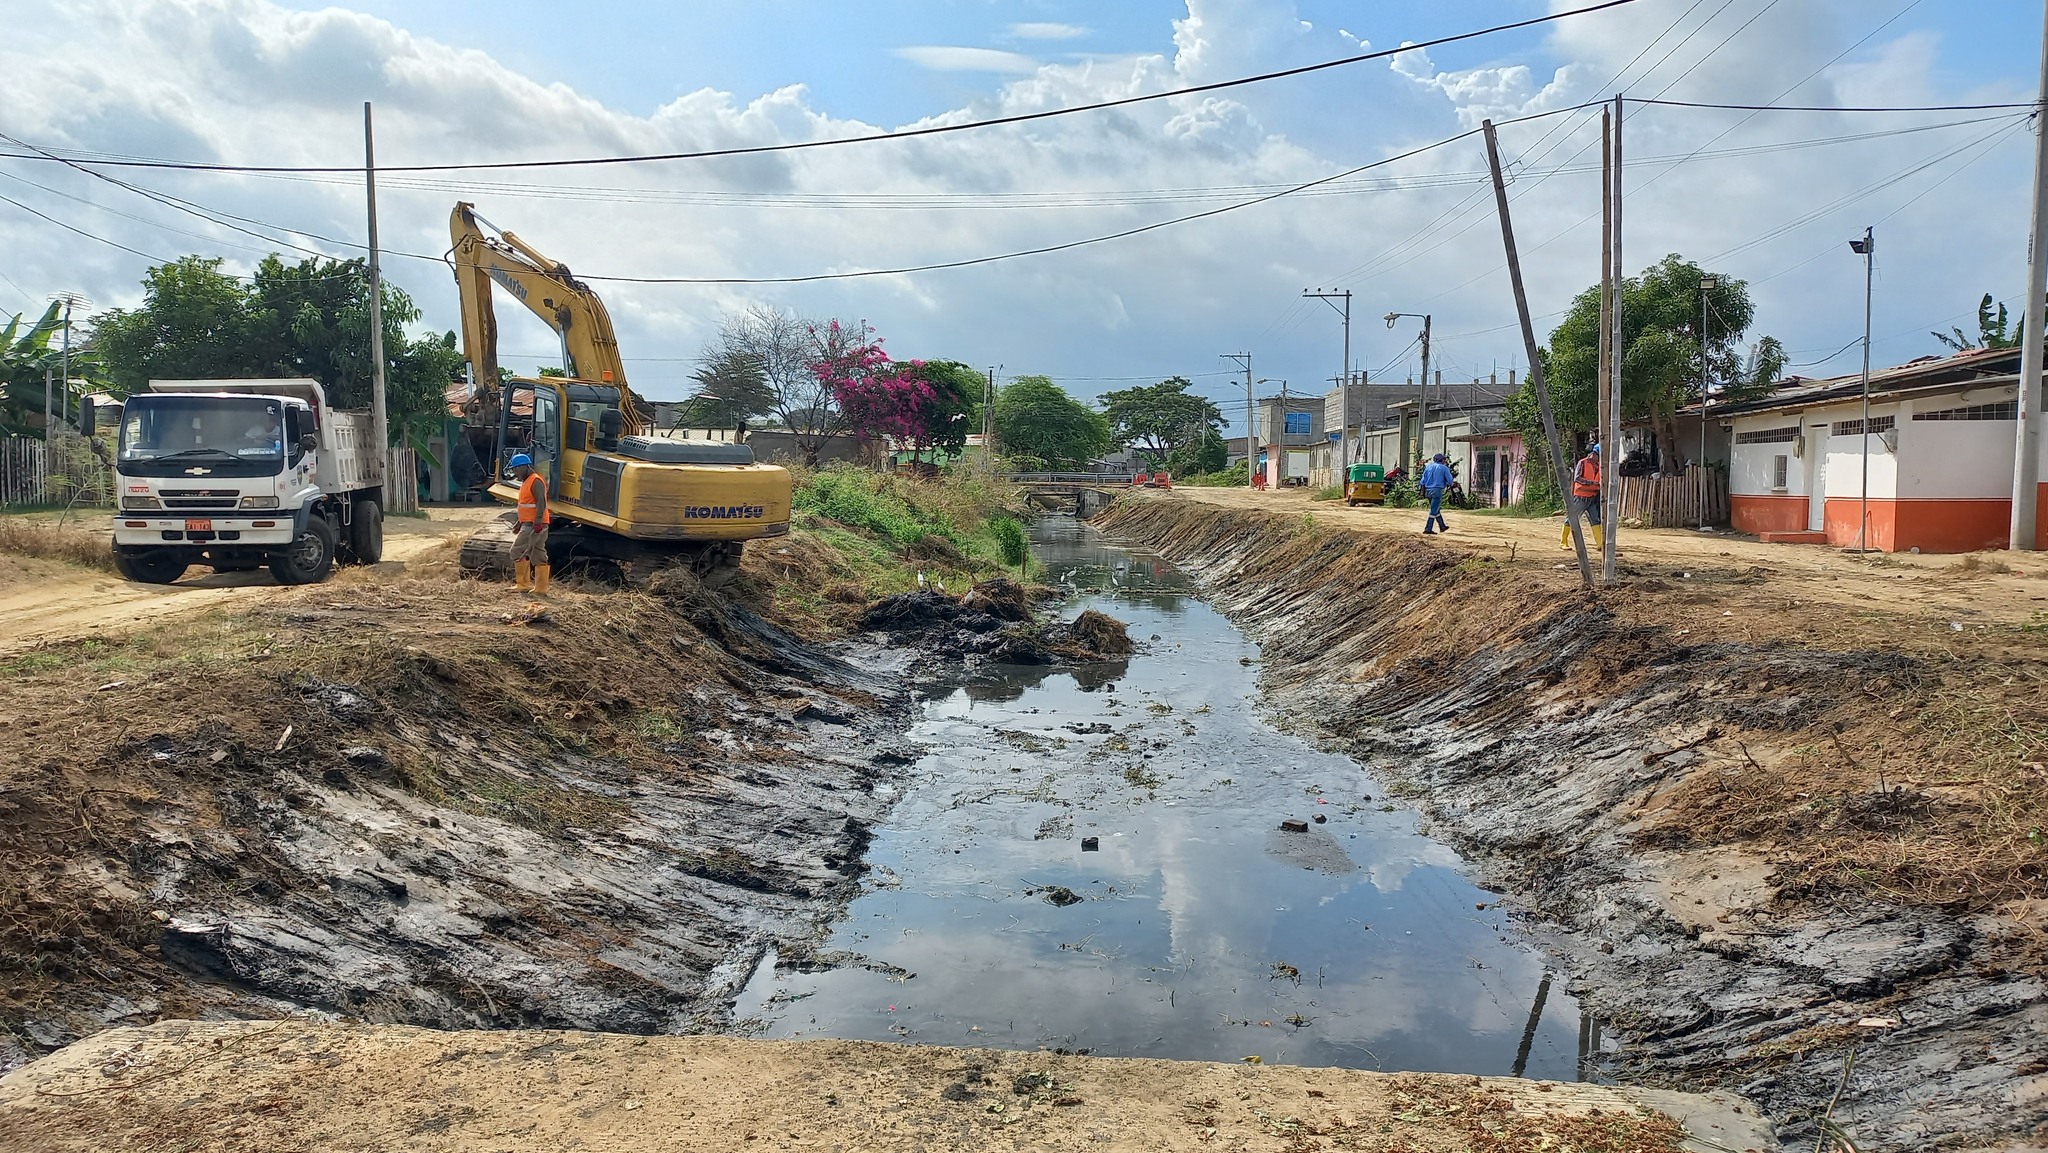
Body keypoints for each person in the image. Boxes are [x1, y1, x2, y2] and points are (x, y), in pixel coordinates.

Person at [510, 453, 551, 594]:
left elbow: (541, 502)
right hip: (530, 523)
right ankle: (540, 588)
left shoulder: (536, 481)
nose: (515, 473)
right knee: (538, 553)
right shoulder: (527, 481)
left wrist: (538, 521)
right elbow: (526, 505)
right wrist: (519, 522)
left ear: (525, 466)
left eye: (516, 469)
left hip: (534, 524)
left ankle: (523, 584)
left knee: (517, 550)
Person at [1561, 442, 1605, 551]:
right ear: (1594, 454)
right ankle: (1563, 542)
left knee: (1595, 520)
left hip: (1592, 497)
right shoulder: (1583, 463)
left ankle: (1600, 544)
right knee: (1572, 518)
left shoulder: (1600, 465)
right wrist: (1591, 483)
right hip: (1581, 497)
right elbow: (1577, 478)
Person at [1419, 452, 1453, 535]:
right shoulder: (1444, 468)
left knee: (1435, 508)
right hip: (1437, 491)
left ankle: (1442, 526)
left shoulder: (1428, 467)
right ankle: (1428, 528)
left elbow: (1422, 481)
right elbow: (1450, 480)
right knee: (1433, 510)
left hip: (1428, 490)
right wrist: (1449, 484)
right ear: (1442, 460)